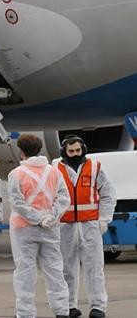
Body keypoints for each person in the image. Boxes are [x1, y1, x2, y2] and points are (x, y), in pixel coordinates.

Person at [8, 134, 71, 318]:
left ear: (22, 152)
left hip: (23, 229)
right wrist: (50, 217)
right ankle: (62, 310)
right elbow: (64, 198)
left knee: (24, 273)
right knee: (55, 270)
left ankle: (26, 313)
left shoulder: (16, 174)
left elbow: (17, 202)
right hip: (50, 228)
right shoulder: (54, 172)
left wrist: (35, 218)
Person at [54, 136, 116, 318]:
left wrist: (104, 219)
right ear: (64, 152)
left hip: (90, 225)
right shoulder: (55, 169)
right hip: (64, 226)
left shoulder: (95, 167)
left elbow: (108, 193)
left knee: (94, 267)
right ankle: (68, 306)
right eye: (71, 151)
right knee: (66, 268)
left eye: (77, 151)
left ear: (83, 150)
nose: (74, 154)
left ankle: (98, 307)